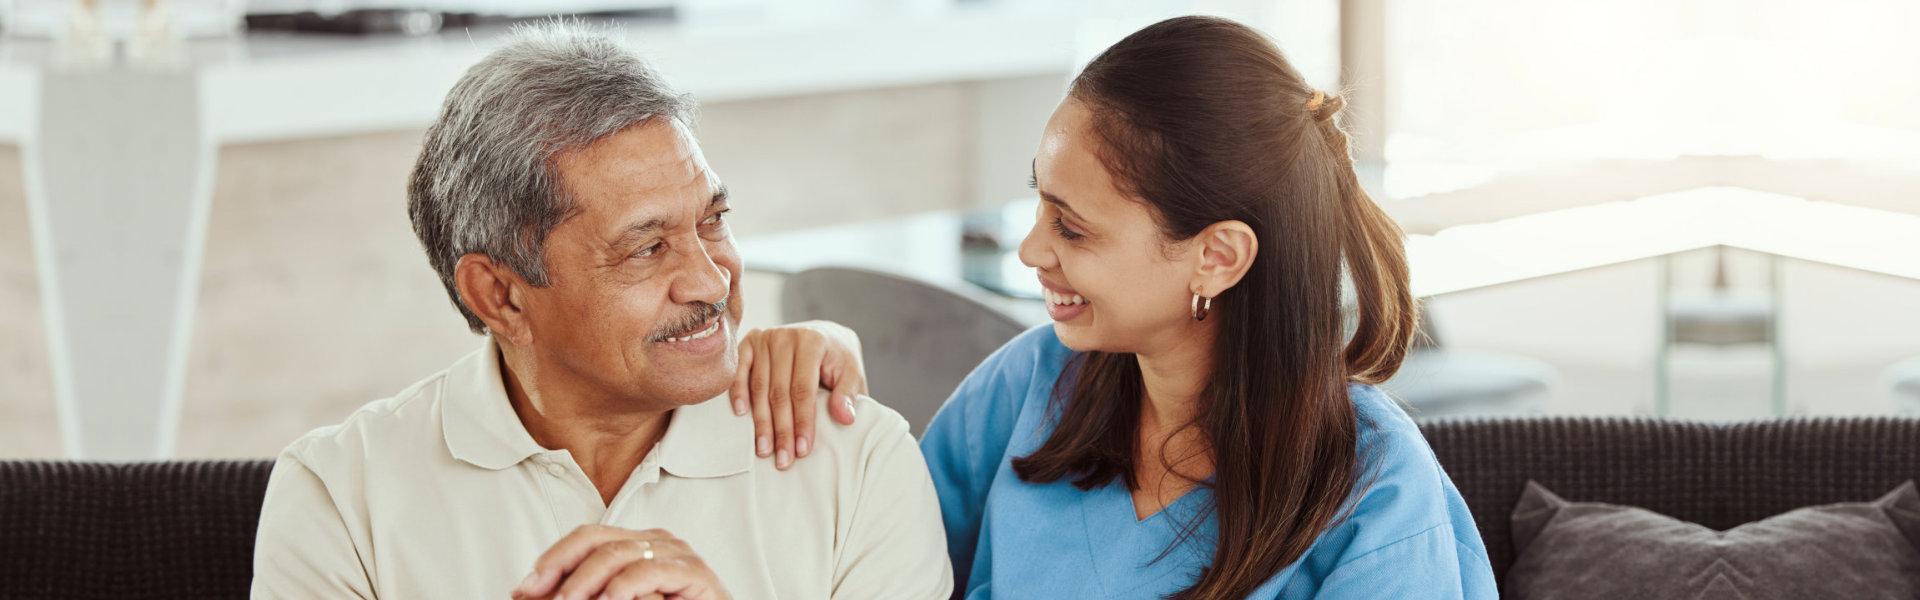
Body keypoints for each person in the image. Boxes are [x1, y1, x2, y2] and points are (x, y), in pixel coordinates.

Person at [752, 15, 1498, 599]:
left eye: (1072, 226)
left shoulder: (1377, 492)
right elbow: (865, 567)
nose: (1032, 252)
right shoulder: (1033, 383)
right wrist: (825, 367)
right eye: (1040, 205)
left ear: (1217, 256)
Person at [248, 22, 951, 600]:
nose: (710, 281)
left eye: (713, 220)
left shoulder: (856, 462)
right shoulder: (341, 495)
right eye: (646, 249)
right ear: (500, 295)